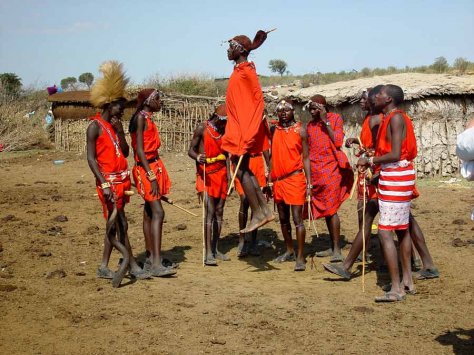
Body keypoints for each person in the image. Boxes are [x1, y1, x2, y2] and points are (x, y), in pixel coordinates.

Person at [324, 86, 439, 281]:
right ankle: (422, 265)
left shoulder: (385, 119)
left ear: (384, 100)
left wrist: (371, 163)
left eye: (369, 97)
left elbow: (387, 152)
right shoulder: (382, 118)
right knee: (405, 222)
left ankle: (350, 267)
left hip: (387, 175)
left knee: (377, 222)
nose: (366, 100)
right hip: (388, 174)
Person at [86, 61, 149, 281]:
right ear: (109, 104)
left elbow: (124, 151)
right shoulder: (94, 127)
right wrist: (103, 183)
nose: (122, 110)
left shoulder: (112, 127)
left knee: (115, 224)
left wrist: (120, 130)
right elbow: (91, 159)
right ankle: (131, 264)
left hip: (121, 182)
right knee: (120, 223)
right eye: (119, 106)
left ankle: (104, 266)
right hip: (108, 185)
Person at [360, 84, 417, 302]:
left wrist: (371, 160)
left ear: (389, 99)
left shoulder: (394, 118)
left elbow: (394, 153)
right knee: (402, 229)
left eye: (380, 94)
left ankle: (396, 288)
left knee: (385, 231)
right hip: (397, 175)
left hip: (396, 176)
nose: (376, 97)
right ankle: (407, 281)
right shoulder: (393, 117)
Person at [221, 29, 274, 234]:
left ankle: (260, 212)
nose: (227, 50)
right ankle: (263, 210)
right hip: (238, 128)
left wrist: (249, 132)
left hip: (243, 130)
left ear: (238, 49)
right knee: (244, 169)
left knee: (240, 168)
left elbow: (257, 102)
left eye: (230, 47)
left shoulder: (246, 72)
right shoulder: (240, 70)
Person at [129, 89, 177, 277]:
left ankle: (150, 259)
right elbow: (139, 150)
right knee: (158, 212)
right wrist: (151, 175)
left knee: (149, 213)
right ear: (147, 101)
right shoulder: (140, 119)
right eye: (157, 99)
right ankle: (156, 263)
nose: (160, 101)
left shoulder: (146, 117)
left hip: (153, 166)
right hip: (146, 168)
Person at [306, 95, 354, 262]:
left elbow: (338, 141)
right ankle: (333, 247)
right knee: (327, 209)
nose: (312, 112)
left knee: (332, 209)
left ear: (323, 108)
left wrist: (325, 120)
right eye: (310, 109)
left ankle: (337, 250)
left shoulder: (335, 119)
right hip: (317, 171)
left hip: (332, 168)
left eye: (315, 109)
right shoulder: (310, 125)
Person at [270, 99, 311, 271]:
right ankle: (289, 250)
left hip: (295, 179)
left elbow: (306, 157)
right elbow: (270, 154)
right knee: (283, 219)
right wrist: (269, 179)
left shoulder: (301, 130)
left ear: (293, 111)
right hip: (278, 181)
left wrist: (309, 182)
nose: (283, 113)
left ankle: (300, 257)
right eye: (280, 111)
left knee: (297, 220)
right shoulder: (274, 129)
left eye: (286, 110)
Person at [188, 104, 231, 266]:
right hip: (206, 175)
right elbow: (190, 150)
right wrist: (198, 157)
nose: (225, 125)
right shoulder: (202, 128)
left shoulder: (223, 131)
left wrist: (229, 175)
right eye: (224, 122)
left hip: (221, 175)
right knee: (210, 212)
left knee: (219, 211)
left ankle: (215, 248)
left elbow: (226, 154)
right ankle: (207, 253)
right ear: (217, 118)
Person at [235, 149, 270, 257]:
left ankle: (253, 242)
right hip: (241, 162)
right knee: (244, 200)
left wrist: (269, 166)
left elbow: (264, 147)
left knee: (256, 202)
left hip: (257, 162)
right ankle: (242, 239)